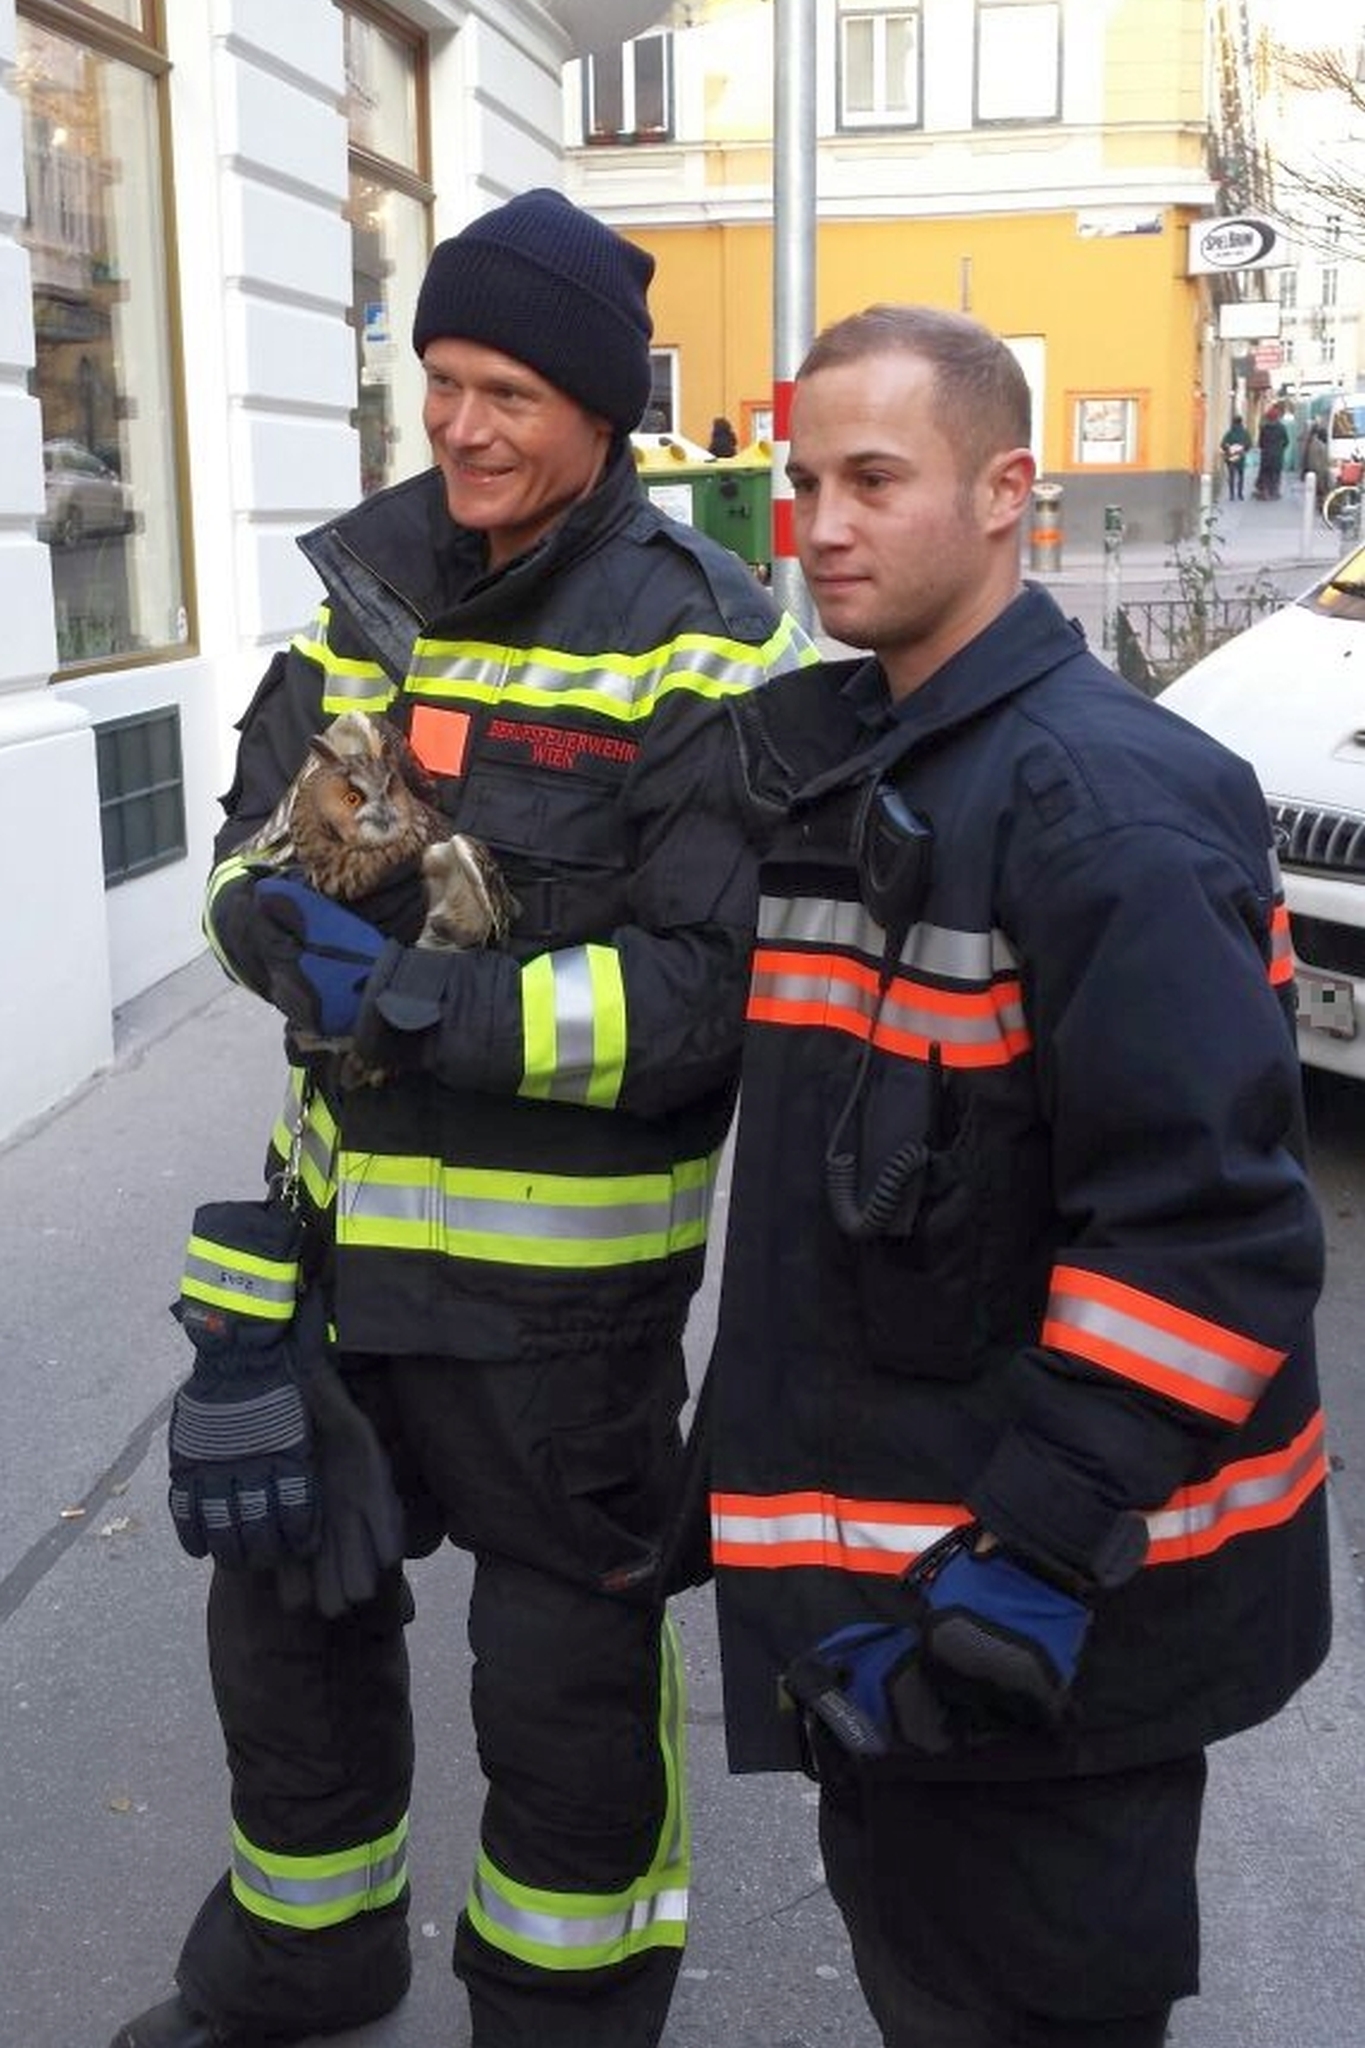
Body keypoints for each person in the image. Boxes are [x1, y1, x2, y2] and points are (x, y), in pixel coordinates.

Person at [112, 189, 815, 2048]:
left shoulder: (706, 646)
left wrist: (414, 995)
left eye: (510, 387)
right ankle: (303, 1956)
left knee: (568, 1705)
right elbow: (245, 864)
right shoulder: (367, 594)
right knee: (288, 1641)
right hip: (332, 1273)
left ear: (604, 410)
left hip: (562, 1329)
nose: (463, 425)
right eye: (439, 380)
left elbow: (701, 1002)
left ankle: (564, 2020)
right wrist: (267, 919)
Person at [706, 305, 1330, 2048]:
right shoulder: (881, 764)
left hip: (1048, 1641)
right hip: (912, 1623)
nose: (820, 523)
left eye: (874, 479)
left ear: (1007, 497)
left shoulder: (1101, 808)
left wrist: (1031, 1557)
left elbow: (1210, 1238)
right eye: (801, 480)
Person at [1255, 404, 1289, 499]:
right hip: (1277, 455)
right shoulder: (1282, 428)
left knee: (1265, 474)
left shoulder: (1264, 428)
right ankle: (1275, 492)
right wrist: (1280, 449)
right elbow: (1286, 441)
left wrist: (1265, 448)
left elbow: (1260, 443)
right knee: (1276, 474)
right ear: (1277, 417)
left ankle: (1265, 492)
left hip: (1266, 455)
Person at [1219, 411, 1250, 499]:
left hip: (1231, 457)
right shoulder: (1245, 433)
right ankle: (1240, 494)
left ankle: (1231, 495)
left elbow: (1222, 444)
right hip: (1240, 456)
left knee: (1232, 475)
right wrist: (1244, 450)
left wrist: (1228, 449)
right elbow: (1249, 444)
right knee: (1241, 475)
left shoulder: (1229, 433)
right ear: (1241, 422)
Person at [1301, 421, 1331, 510]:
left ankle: (1320, 504)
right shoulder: (1320, 445)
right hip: (1318, 471)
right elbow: (1319, 462)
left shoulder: (1312, 443)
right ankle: (1322, 505)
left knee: (1318, 491)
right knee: (1321, 489)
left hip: (1314, 470)